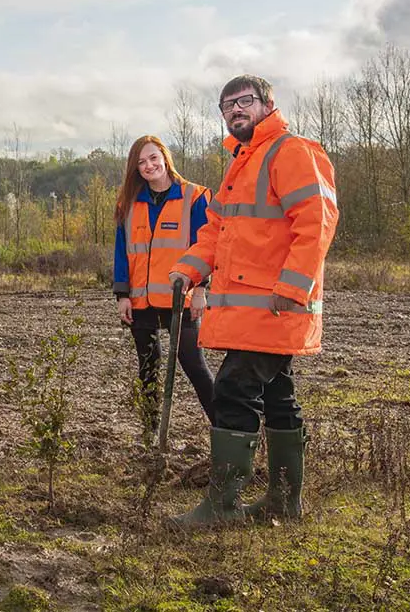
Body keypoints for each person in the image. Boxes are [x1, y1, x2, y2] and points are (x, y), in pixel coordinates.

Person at [168, 74, 338, 529]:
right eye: (227, 106)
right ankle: (284, 502)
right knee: (278, 395)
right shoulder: (241, 164)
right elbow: (216, 231)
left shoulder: (293, 151)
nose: (235, 110)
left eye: (244, 101)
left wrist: (292, 287)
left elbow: (317, 221)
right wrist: (189, 267)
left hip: (276, 307)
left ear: (268, 104)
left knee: (234, 389)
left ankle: (222, 507)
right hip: (254, 311)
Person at [112, 135, 215, 432]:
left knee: (194, 366)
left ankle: (225, 432)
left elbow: (205, 246)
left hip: (180, 298)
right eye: (141, 162)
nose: (149, 166)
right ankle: (150, 432)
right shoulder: (128, 203)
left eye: (153, 158)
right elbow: (121, 252)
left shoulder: (195, 197)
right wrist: (122, 295)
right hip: (140, 300)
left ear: (165, 158)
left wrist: (200, 290)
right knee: (148, 369)